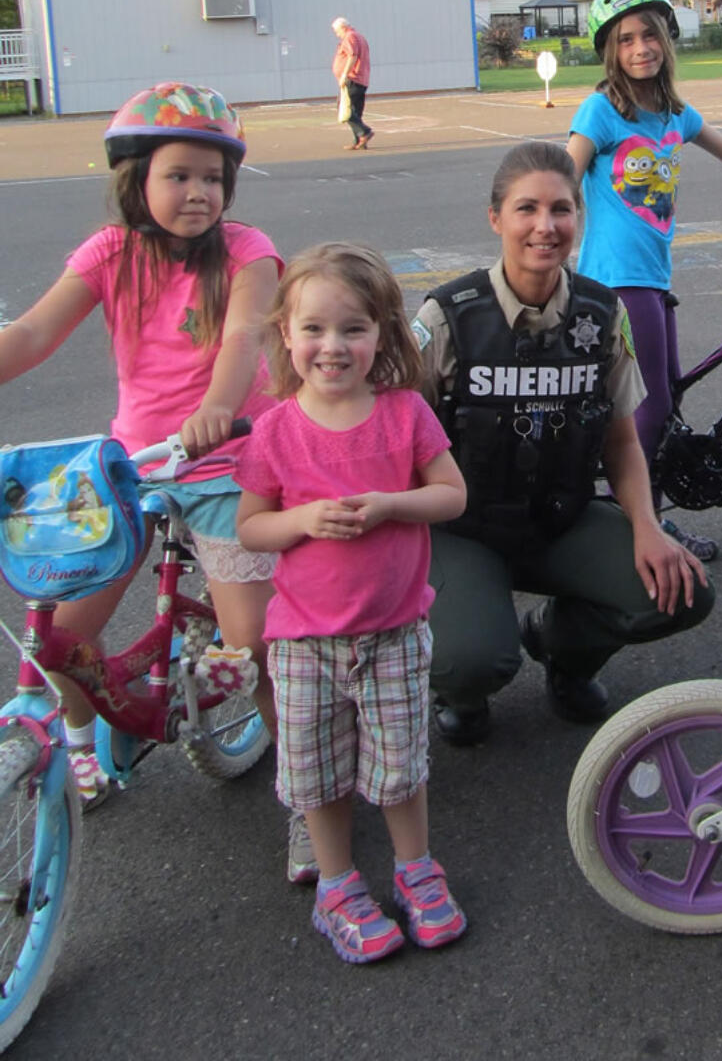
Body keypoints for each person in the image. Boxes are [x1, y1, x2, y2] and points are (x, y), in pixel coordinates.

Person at [0, 81, 282, 811]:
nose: (198, 192)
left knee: (255, 642)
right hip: (136, 461)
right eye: (178, 176)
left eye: (213, 178)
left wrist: (218, 408)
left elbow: (246, 336)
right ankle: (81, 732)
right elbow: (32, 333)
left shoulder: (246, 251)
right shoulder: (109, 253)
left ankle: (304, 776)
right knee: (62, 633)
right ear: (137, 182)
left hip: (223, 458)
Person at [411, 140, 714, 746]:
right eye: (526, 209)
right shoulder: (448, 317)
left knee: (682, 592)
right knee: (471, 658)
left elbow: (622, 440)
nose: (544, 227)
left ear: (579, 216)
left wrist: (649, 526)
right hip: (464, 529)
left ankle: (561, 648)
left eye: (561, 209)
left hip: (558, 518)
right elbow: (397, 440)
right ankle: (461, 687)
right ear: (496, 218)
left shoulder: (602, 313)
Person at [235, 242, 469, 965]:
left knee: (401, 766)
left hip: (395, 632)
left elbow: (452, 495)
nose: (332, 346)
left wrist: (395, 504)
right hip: (304, 642)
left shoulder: (403, 414)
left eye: (352, 329)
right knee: (315, 771)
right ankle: (337, 884)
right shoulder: (274, 429)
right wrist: (302, 521)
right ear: (286, 335)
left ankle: (415, 867)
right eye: (313, 329)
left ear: (383, 334)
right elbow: (251, 525)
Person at [565, 0, 722, 562]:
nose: (640, 47)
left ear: (666, 38)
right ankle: (643, 528)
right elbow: (564, 174)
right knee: (653, 407)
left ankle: (643, 514)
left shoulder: (674, 116)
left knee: (665, 402)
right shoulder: (602, 111)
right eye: (625, 40)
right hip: (617, 279)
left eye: (649, 34)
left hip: (653, 278)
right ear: (610, 52)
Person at [331, 16, 374, 149]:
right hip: (361, 79)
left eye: (337, 31)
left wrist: (344, 74)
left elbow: (352, 55)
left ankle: (364, 132)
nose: (336, 34)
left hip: (353, 79)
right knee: (356, 110)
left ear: (343, 27)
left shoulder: (350, 37)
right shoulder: (359, 37)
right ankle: (359, 141)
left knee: (345, 109)